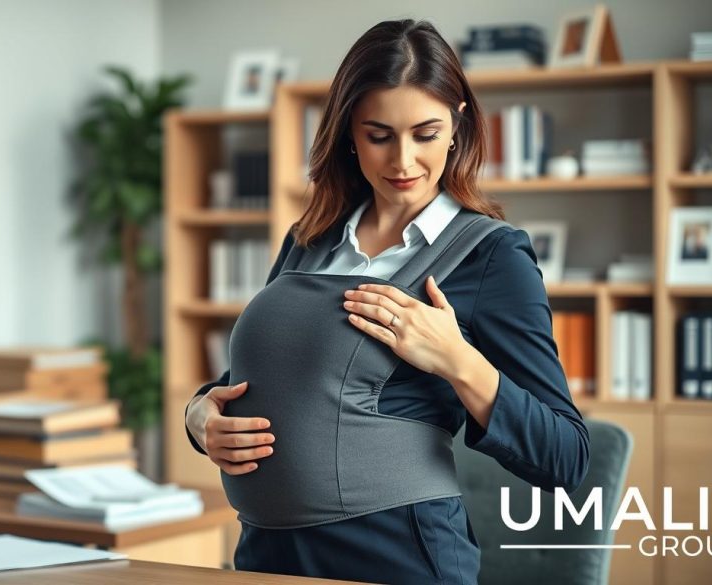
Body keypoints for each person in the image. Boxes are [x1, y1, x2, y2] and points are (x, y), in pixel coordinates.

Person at [184, 19, 589, 584]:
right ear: (349, 131)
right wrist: (199, 415)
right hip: (266, 552)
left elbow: (566, 456)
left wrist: (458, 360)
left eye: (425, 134)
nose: (402, 162)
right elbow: (257, 379)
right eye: (380, 135)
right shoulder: (311, 238)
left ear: (458, 126)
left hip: (396, 554)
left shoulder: (492, 257)